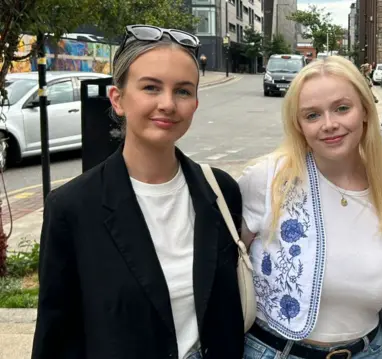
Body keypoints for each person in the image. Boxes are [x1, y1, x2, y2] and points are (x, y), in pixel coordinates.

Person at [31, 25, 245, 359]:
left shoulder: (221, 192)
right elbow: (56, 338)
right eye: (150, 88)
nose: (168, 104)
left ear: (196, 103)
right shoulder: (72, 208)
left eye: (183, 91)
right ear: (118, 99)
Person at [238, 55, 382, 359]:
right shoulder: (266, 180)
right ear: (299, 124)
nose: (329, 124)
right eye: (312, 115)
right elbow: (226, 270)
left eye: (342, 108)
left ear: (364, 110)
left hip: (369, 351)